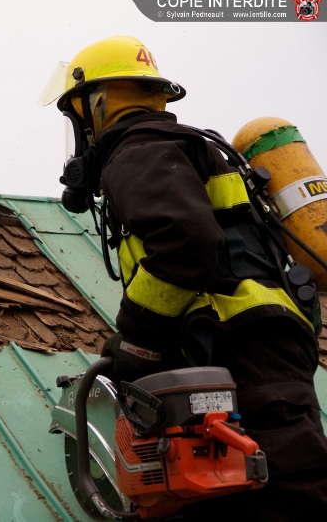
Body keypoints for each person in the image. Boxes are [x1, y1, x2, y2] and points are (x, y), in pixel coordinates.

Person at [40, 35, 327, 520]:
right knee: (247, 483)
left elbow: (186, 241)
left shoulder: (139, 151)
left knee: (286, 488)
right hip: (264, 342)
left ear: (97, 101)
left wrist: (135, 338)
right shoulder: (186, 147)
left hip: (236, 344)